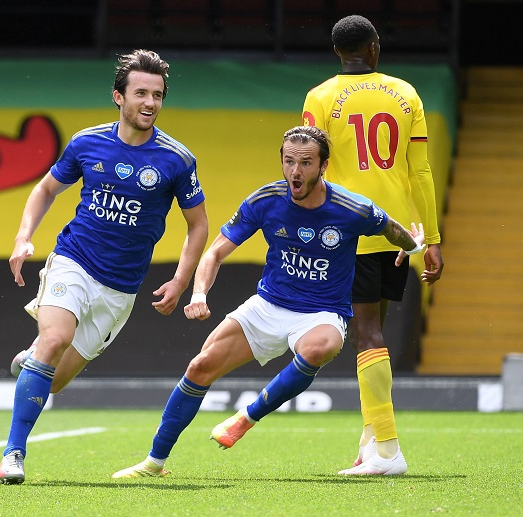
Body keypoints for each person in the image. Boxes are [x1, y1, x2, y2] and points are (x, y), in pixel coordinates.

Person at [112, 125, 425, 479]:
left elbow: (390, 227)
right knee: (200, 366)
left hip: (323, 313)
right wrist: (199, 293)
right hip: (269, 305)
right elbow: (214, 253)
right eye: (289, 161)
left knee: (321, 346)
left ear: (323, 166)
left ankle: (247, 417)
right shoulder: (265, 201)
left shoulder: (351, 208)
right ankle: (154, 463)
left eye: (306, 162)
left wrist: (413, 245)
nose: (295, 171)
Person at [0, 49, 209, 484]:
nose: (150, 102)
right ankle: (14, 454)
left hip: (121, 289)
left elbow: (198, 224)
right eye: (141, 93)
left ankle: (33, 360)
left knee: (52, 381)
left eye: (158, 95)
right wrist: (23, 237)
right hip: (73, 261)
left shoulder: (176, 159)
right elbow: (45, 189)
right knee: (55, 338)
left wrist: (181, 280)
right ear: (119, 96)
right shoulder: (86, 142)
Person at [301, 14, 444, 475]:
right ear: (375, 48)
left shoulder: (320, 97)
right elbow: (419, 172)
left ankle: (387, 450)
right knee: (374, 332)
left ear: (337, 52)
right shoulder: (406, 93)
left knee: (366, 335)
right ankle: (370, 439)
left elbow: (309, 168)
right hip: (399, 232)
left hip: (349, 230)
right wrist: (431, 239)